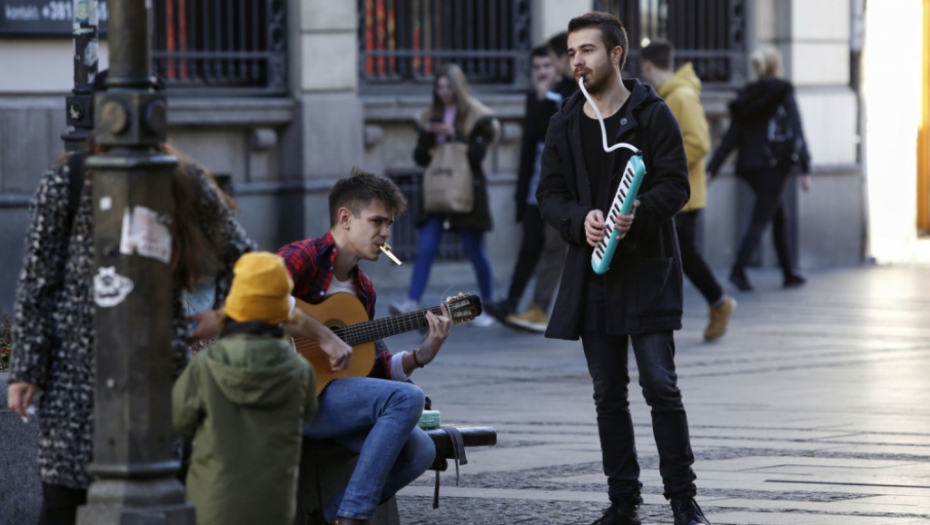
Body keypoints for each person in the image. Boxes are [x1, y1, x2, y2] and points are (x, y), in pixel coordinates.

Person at [5, 130, 256, 524]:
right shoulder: (66, 181)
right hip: (74, 379)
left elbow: (245, 260)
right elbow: (39, 282)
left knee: (154, 500)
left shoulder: (181, 180)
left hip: (156, 377)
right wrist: (25, 370)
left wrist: (223, 315)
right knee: (66, 502)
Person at [536, 12, 710, 525]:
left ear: (616, 55)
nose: (576, 62)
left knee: (661, 386)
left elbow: (676, 186)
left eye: (586, 51)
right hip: (593, 275)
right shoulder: (566, 119)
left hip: (646, 272)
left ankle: (683, 500)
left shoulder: (652, 114)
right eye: (571, 53)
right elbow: (549, 195)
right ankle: (623, 503)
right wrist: (578, 220)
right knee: (608, 394)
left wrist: (637, 215)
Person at [278, 168, 450, 525]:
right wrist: (325, 336)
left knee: (421, 450)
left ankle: (330, 516)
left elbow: (372, 364)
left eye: (388, 224)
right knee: (408, 399)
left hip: (328, 401)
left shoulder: (365, 289)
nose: (386, 233)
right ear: (345, 218)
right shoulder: (303, 257)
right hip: (283, 393)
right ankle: (352, 518)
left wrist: (420, 356)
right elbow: (256, 297)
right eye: (377, 222)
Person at [172, 251, 318, 525]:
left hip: (211, 507)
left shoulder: (205, 365)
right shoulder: (301, 371)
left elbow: (180, 423)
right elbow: (307, 414)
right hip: (275, 509)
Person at [641, 39, 737, 341]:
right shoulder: (669, 96)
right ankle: (716, 304)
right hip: (674, 195)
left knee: (677, 259)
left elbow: (699, 143)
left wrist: (662, 164)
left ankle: (719, 304)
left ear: (646, 65)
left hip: (682, 197)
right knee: (671, 258)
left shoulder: (680, 96)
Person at [390, 64, 500, 327]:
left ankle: (489, 305)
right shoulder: (431, 115)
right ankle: (411, 302)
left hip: (466, 192)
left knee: (475, 251)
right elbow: (418, 157)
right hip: (437, 191)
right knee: (426, 248)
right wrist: (429, 134)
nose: (444, 92)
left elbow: (477, 156)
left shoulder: (476, 116)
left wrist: (455, 135)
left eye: (448, 87)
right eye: (439, 87)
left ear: (458, 87)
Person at [706, 46, 811, 292]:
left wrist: (713, 169)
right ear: (776, 67)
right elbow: (796, 129)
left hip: (751, 166)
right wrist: (805, 168)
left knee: (778, 216)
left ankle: (788, 272)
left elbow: (732, 136)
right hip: (775, 165)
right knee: (761, 219)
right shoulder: (783, 91)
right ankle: (738, 270)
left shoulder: (747, 97)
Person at [484, 45, 568, 332]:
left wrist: (546, 100)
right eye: (537, 68)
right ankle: (512, 301)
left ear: (557, 66)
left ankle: (540, 306)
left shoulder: (567, 94)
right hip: (536, 182)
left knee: (555, 246)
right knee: (529, 245)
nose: (543, 72)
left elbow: (554, 134)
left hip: (560, 186)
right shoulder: (534, 97)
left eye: (547, 65)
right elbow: (530, 143)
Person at [548, 32, 579, 100]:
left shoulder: (582, 86)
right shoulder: (562, 85)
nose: (553, 64)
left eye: (553, 59)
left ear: (564, 58)